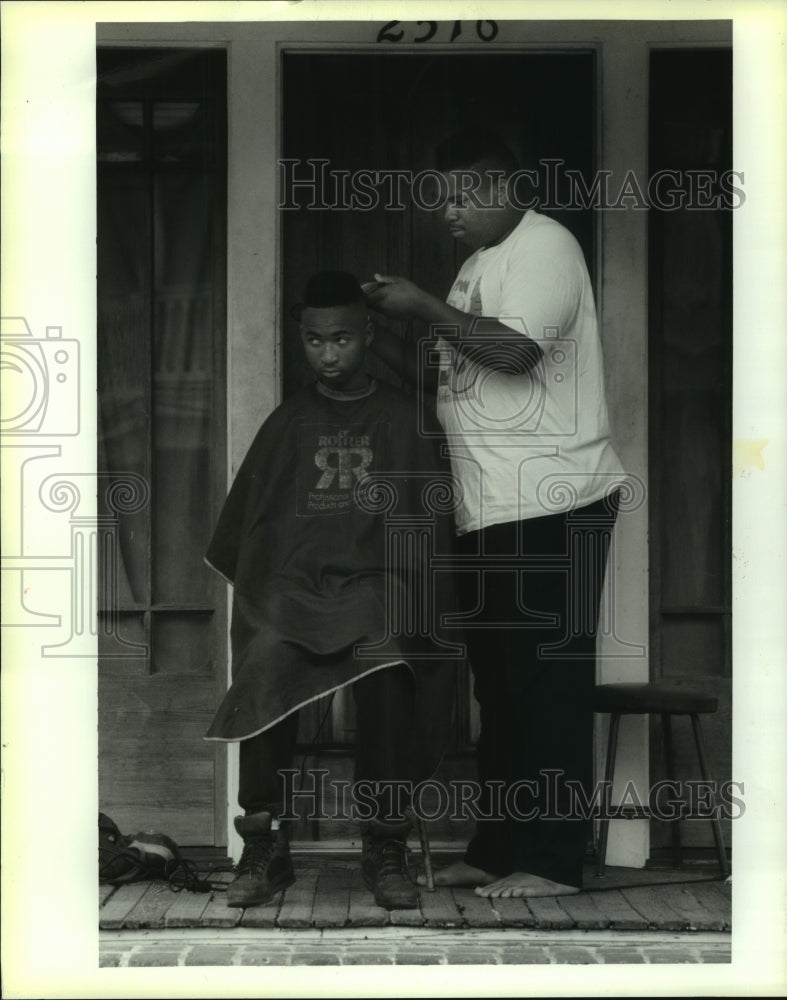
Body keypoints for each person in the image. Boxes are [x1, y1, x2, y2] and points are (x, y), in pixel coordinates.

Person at [365, 128, 626, 898]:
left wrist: (419, 306)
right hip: (491, 506)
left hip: (556, 497)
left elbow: (514, 354)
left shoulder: (545, 246)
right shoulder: (478, 264)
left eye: (460, 195)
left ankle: (551, 861)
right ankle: (499, 845)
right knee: (500, 685)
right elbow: (468, 374)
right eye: (441, 196)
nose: (446, 210)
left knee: (546, 681)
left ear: (505, 190)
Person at [203, 270, 458, 910]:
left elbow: (425, 534)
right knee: (265, 657)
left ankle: (385, 841)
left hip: (377, 587)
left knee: (388, 650)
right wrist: (281, 592)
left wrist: (397, 583)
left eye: (341, 339)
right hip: (294, 593)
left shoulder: (404, 418)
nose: (328, 354)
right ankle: (264, 843)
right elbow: (250, 538)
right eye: (314, 341)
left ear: (368, 334)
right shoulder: (287, 422)